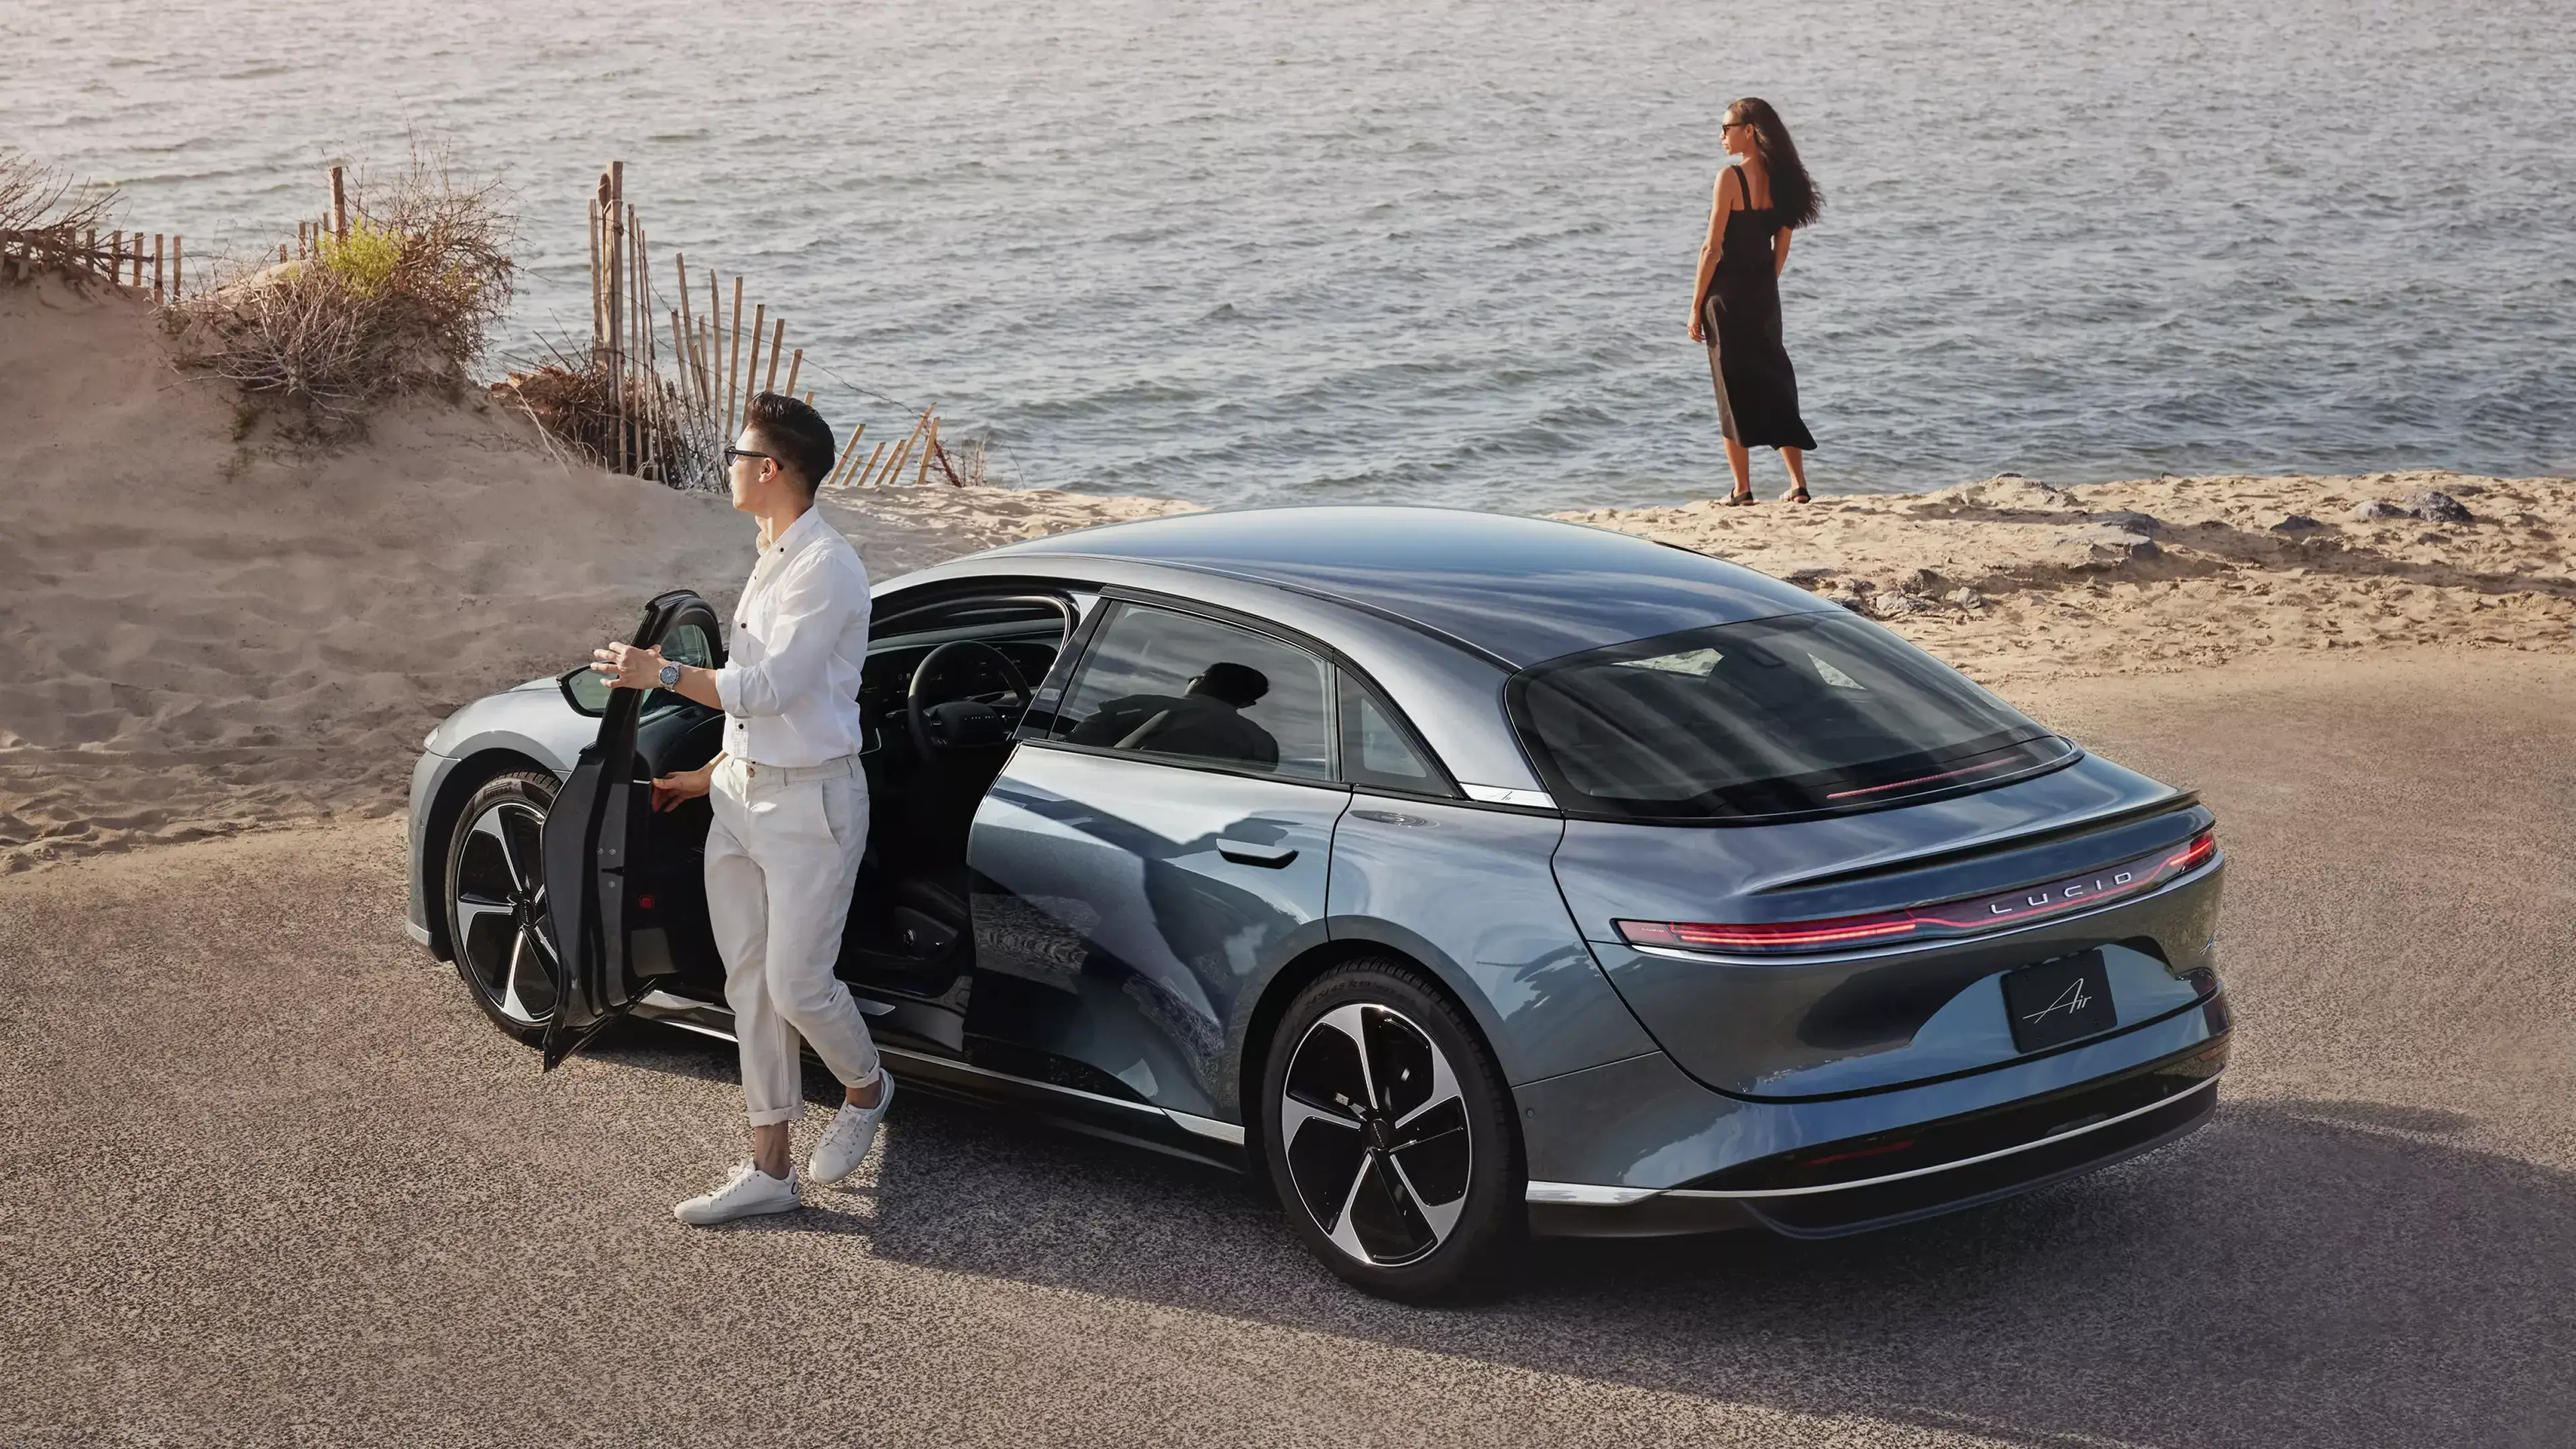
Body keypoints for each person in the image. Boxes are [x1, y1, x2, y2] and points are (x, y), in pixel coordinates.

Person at [590, 392, 890, 1226]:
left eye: (738, 454)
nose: (727, 465)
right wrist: (711, 772)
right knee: (750, 986)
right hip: (742, 796)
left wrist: (660, 674)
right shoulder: (772, 553)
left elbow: (770, 689)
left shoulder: (825, 567)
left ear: (771, 469)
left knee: (799, 985)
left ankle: (867, 1088)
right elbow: (764, 711)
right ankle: (770, 1171)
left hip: (810, 806)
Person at [1688, 96, 1823, 504]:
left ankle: (1742, 490)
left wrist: (1695, 305)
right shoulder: (1784, 180)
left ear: (1749, 131)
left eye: (1726, 128)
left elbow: (1712, 249)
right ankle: (1798, 485)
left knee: (1731, 390)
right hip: (1764, 297)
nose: (1721, 136)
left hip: (1725, 300)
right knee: (1776, 383)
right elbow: (1782, 245)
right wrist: (1766, 285)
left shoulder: (1730, 178)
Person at [1067, 661, 1278, 766]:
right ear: (1247, 704)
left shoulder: (1139, 706)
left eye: (1197, 677)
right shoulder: (1263, 743)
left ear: (1200, 681)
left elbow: (1073, 748)